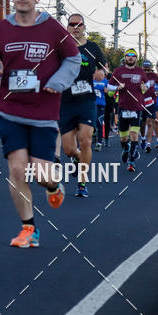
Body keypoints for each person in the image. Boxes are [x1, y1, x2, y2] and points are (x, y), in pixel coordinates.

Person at [0, 0, 80, 245]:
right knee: (16, 169)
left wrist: (57, 82)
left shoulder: (53, 30)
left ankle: (53, 185)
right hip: (9, 109)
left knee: (41, 173)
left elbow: (73, 60)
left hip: (44, 113)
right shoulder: (1, 30)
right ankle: (29, 229)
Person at [58, 14, 106, 196]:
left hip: (86, 100)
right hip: (65, 102)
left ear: (84, 27)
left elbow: (105, 67)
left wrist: (102, 72)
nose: (75, 27)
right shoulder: (61, 46)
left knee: (86, 140)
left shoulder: (92, 47)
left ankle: (82, 183)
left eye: (79, 25)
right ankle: (77, 158)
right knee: (69, 149)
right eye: (72, 24)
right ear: (67, 27)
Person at [108, 48, 148, 171]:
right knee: (123, 137)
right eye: (128, 55)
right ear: (125, 58)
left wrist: (144, 87)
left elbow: (147, 86)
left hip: (136, 107)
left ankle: (131, 161)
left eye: (133, 56)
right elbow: (109, 86)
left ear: (136, 58)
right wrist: (117, 88)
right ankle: (126, 148)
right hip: (123, 107)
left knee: (134, 133)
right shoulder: (118, 71)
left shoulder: (140, 71)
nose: (130, 57)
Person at [140, 59, 158, 153]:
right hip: (140, 102)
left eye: (148, 69)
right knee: (142, 124)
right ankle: (143, 138)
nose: (147, 71)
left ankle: (148, 144)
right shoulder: (139, 75)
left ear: (150, 68)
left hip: (151, 102)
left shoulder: (154, 76)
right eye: (145, 69)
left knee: (150, 123)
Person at [94, 75, 107, 152]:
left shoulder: (105, 81)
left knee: (99, 122)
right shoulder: (91, 80)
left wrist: (107, 90)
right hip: (91, 105)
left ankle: (99, 143)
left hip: (101, 105)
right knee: (90, 123)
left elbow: (108, 91)